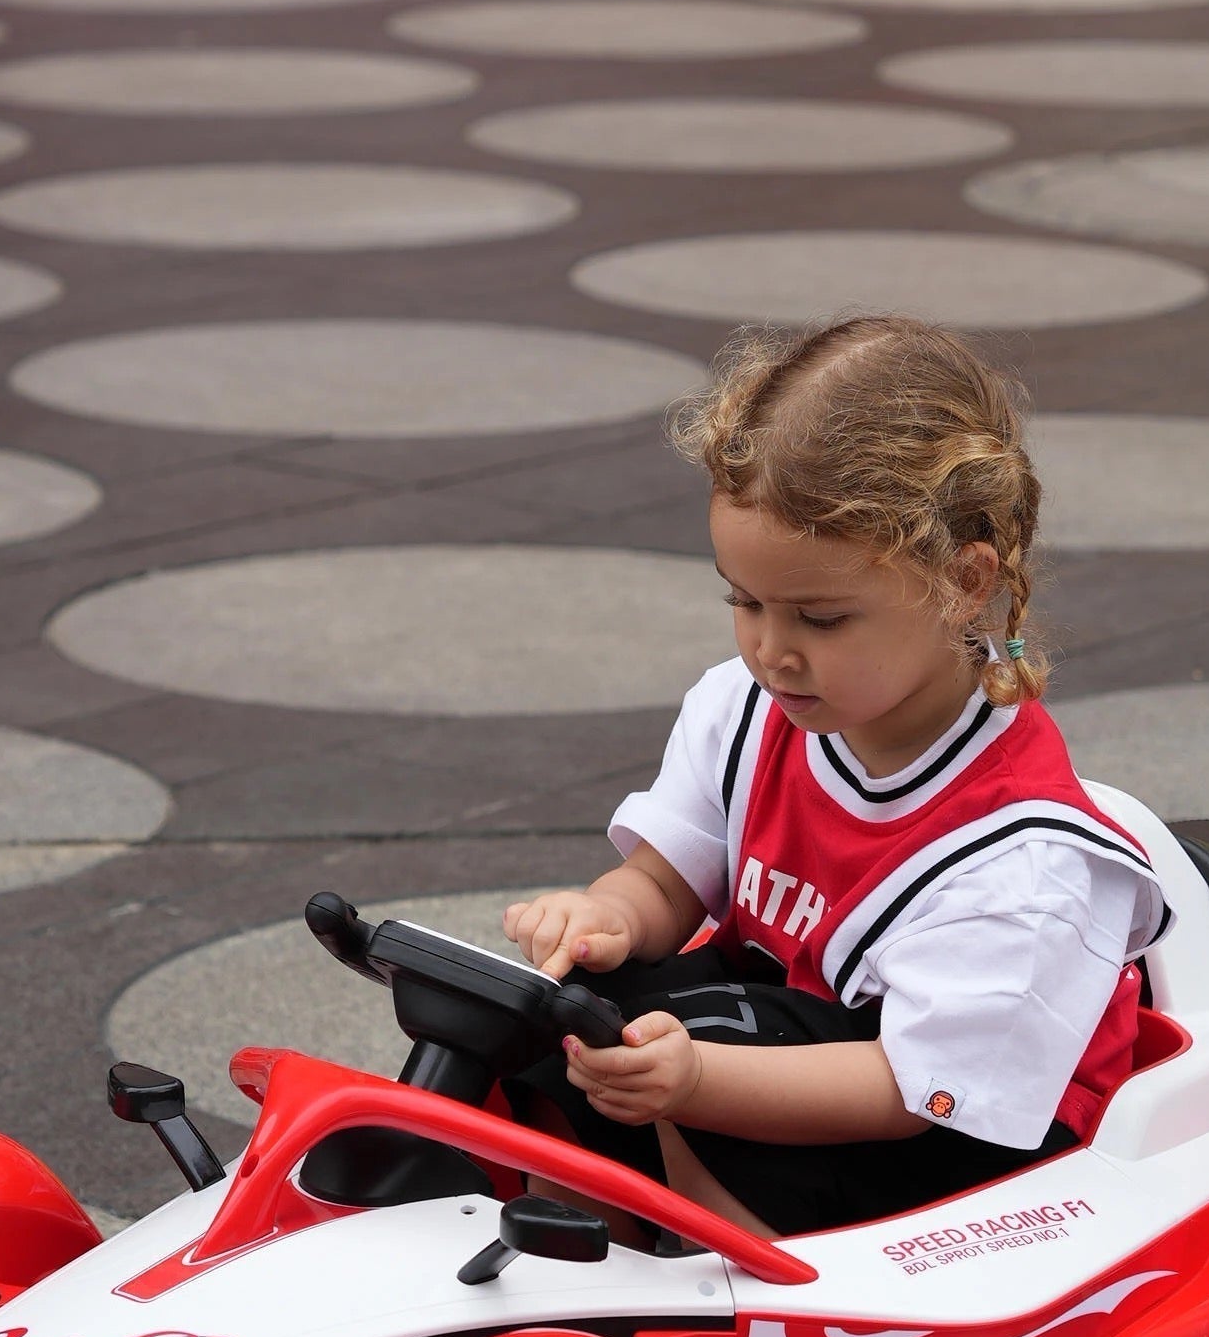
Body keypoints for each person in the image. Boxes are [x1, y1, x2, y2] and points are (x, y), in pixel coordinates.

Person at [501, 315, 1169, 1241]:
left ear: (966, 583)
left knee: (684, 1045)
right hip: (779, 1041)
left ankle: (723, 1291)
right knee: (562, 1017)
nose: (773, 650)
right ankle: (574, 1236)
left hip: (962, 1143)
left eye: (820, 617)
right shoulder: (744, 712)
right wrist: (606, 916)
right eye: (745, 602)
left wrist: (695, 1084)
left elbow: (912, 1087)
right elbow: (662, 882)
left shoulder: (1026, 859)